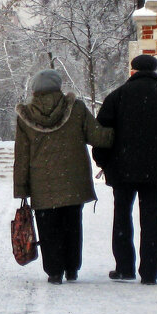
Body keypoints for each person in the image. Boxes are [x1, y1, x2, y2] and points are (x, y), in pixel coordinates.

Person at [92, 54, 157, 285]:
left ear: (133, 71)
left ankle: (125, 268)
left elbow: (102, 134)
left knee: (122, 217)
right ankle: (149, 272)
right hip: (156, 171)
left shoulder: (117, 97)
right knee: (152, 220)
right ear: (156, 72)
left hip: (122, 169)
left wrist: (103, 162)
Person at [14, 69, 113, 285]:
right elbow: (97, 136)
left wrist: (21, 188)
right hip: (73, 181)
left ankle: (54, 271)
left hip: (42, 184)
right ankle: (71, 268)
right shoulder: (75, 109)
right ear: (58, 86)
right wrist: (121, 131)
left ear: (34, 90)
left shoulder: (26, 116)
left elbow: (22, 156)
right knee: (72, 224)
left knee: (48, 227)